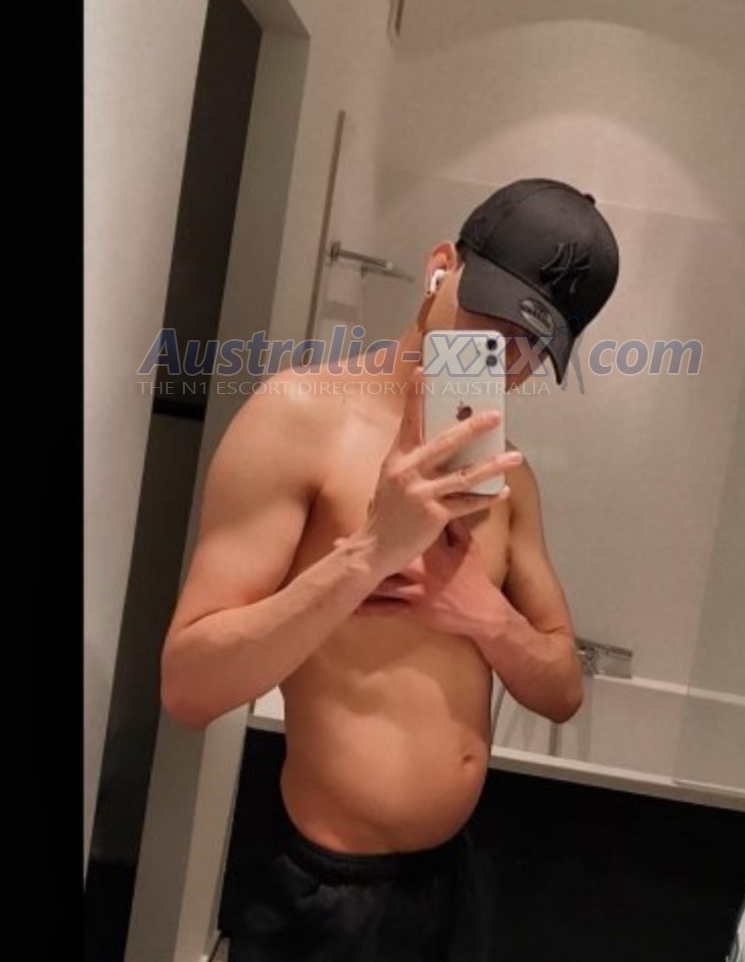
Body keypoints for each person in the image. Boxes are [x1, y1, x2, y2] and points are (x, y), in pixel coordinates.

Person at [161, 177, 620, 961]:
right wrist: (371, 551)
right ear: (440, 267)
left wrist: (482, 614)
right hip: (325, 900)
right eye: (492, 318)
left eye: (534, 344)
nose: (507, 358)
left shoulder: (508, 478)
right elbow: (188, 688)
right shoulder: (298, 418)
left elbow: (561, 691)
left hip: (450, 886)